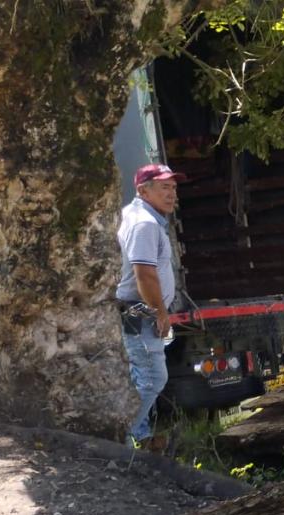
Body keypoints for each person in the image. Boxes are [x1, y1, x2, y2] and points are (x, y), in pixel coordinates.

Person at [116, 163, 184, 452]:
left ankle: (141, 440)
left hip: (135, 309)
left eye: (173, 187)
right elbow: (144, 273)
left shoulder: (140, 216)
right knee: (154, 377)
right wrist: (160, 312)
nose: (171, 194)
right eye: (164, 187)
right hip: (140, 311)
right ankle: (118, 437)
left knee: (138, 378)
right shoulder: (144, 223)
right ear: (143, 190)